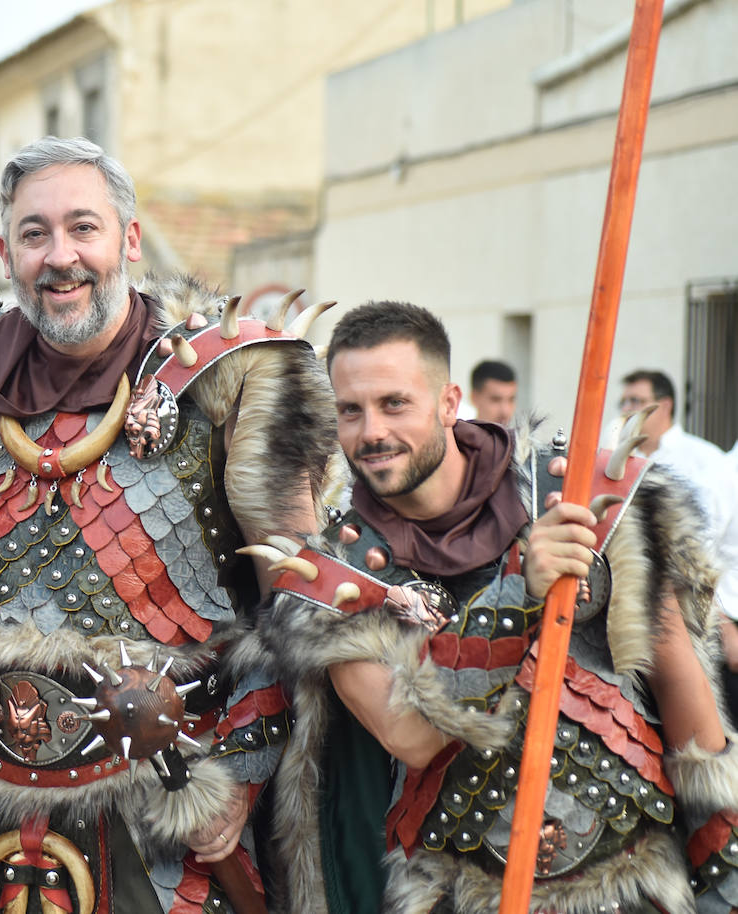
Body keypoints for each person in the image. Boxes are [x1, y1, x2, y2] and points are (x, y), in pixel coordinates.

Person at [0, 136, 334, 913]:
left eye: (83, 228)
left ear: (128, 239)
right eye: (35, 234)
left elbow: (295, 609)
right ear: (7, 252)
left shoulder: (230, 379)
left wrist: (238, 775)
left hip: (167, 828)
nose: (60, 256)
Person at [259, 301, 738, 913]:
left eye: (394, 403)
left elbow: (684, 699)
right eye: (350, 410)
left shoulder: (580, 497)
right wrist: (520, 593)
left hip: (631, 885)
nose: (371, 431)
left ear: (449, 401)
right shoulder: (332, 574)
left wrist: (723, 883)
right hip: (460, 894)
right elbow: (411, 735)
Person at [619, 368, 738, 725]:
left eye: (637, 402)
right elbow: (688, 560)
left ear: (665, 405)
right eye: (625, 402)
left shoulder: (702, 457)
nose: (629, 410)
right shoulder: (724, 472)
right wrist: (725, 631)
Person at [464, 358, 517, 426]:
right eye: (495, 400)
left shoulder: (521, 436)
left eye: (511, 400)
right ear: (474, 398)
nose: (505, 411)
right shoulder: (457, 435)